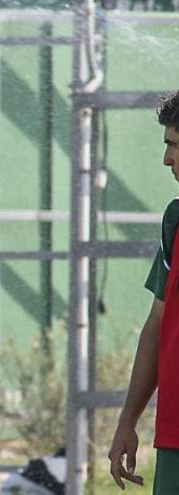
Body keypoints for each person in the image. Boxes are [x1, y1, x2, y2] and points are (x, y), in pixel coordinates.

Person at [109, 90, 179, 493]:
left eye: (173, 145)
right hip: (175, 439)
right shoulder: (176, 220)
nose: (166, 159)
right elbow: (157, 324)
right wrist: (127, 421)